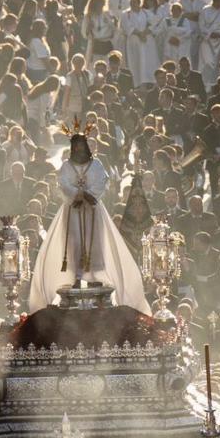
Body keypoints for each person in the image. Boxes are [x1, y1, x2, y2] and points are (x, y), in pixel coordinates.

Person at [27, 126, 151, 313]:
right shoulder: (67, 166)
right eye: (75, 147)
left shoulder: (96, 165)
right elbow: (63, 183)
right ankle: (76, 275)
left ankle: (93, 274)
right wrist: (76, 195)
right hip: (73, 210)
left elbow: (102, 180)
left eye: (81, 147)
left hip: (92, 210)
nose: (79, 150)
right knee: (73, 241)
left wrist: (88, 195)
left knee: (95, 242)